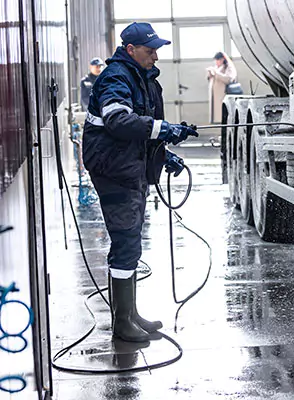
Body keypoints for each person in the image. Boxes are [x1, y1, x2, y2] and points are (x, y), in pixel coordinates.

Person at [82, 22, 197, 343]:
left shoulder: (140, 77)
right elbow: (119, 121)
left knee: (130, 240)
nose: (156, 56)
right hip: (114, 168)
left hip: (127, 164)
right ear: (130, 50)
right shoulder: (117, 78)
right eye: (150, 50)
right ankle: (122, 323)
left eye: (157, 50)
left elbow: (141, 128)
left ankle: (130, 314)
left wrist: (164, 154)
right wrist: (164, 128)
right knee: (126, 242)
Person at [207, 51, 238, 124]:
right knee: (217, 116)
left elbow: (229, 78)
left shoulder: (228, 67)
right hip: (216, 96)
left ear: (222, 59)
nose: (216, 62)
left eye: (218, 60)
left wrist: (216, 73)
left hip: (223, 94)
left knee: (223, 115)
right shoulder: (217, 68)